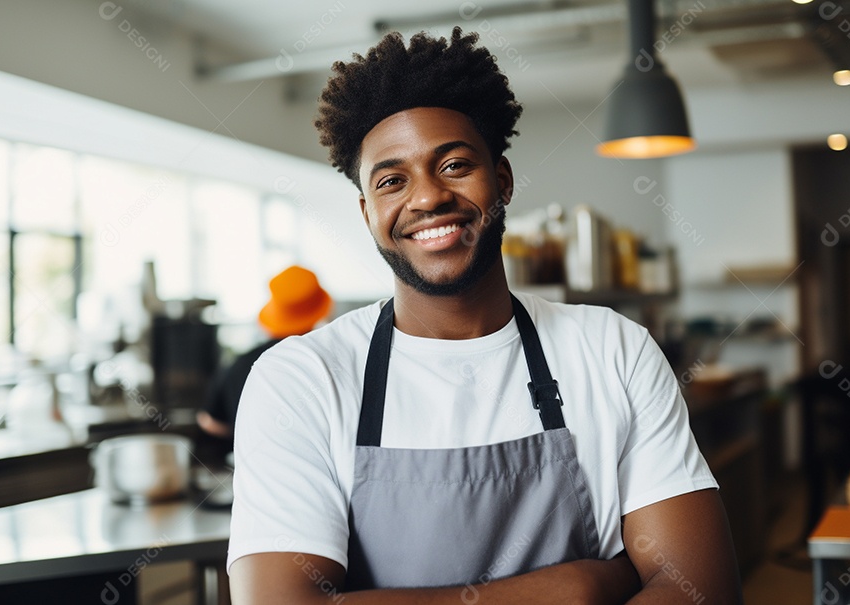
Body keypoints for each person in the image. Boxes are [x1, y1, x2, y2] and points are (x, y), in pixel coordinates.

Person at [228, 28, 742, 604]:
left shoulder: (614, 350)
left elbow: (702, 591)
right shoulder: (300, 380)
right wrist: (573, 588)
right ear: (366, 210)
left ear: (501, 180)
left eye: (452, 165)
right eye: (392, 180)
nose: (427, 198)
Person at [196, 265, 332, 439]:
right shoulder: (322, 364)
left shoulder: (242, 362)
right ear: (321, 313)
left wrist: (243, 437)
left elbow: (208, 421)